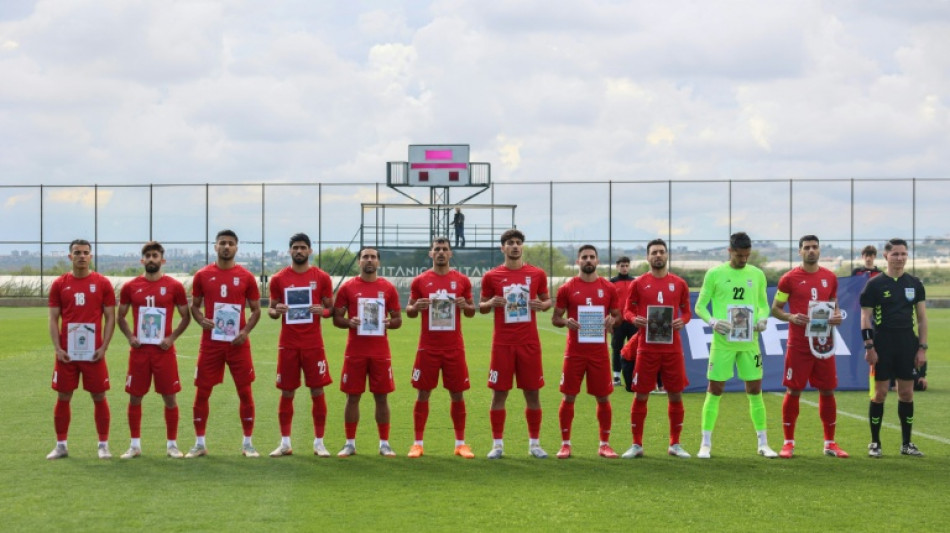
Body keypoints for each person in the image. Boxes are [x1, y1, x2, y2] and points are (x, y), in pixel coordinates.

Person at [694, 232, 777, 459]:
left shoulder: (757, 274)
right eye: (740, 255)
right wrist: (712, 321)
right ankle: (705, 444)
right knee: (715, 389)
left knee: (754, 389)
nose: (744, 260)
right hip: (723, 342)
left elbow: (762, 305)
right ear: (729, 251)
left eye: (747, 255)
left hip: (750, 342)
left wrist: (762, 318)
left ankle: (763, 443)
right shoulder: (715, 274)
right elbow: (700, 306)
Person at [770, 235, 849, 459]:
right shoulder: (789, 279)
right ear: (800, 252)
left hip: (823, 342)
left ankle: (830, 443)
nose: (811, 251)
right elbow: (776, 308)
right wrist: (790, 316)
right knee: (794, 389)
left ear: (820, 250)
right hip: (799, 344)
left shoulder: (830, 278)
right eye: (807, 248)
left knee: (827, 389)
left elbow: (834, 305)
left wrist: (836, 316)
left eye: (815, 247)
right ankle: (788, 443)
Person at [185, 229, 263, 458]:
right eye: (222, 243)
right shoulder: (202, 275)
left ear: (237, 247)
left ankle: (248, 443)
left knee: (245, 392)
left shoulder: (247, 276)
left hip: (238, 343)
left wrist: (245, 331)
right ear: (215, 247)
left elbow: (257, 310)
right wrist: (201, 320)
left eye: (230, 243)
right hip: (211, 343)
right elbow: (195, 306)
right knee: (202, 391)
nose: (226, 247)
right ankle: (199, 443)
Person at [479, 229, 553, 459]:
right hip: (502, 344)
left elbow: (547, 300)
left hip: (529, 343)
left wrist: (542, 306)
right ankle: (497, 445)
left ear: (522, 247)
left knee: (532, 393)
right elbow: (481, 306)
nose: (514, 246)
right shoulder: (491, 276)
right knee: (499, 394)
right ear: (502, 248)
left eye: (518, 243)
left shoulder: (537, 273)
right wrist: (492, 301)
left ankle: (534, 444)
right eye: (510, 243)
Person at [115, 241, 191, 459]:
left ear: (162, 260)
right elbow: (120, 316)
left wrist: (172, 337)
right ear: (142, 260)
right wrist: (130, 337)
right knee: (135, 398)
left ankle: (172, 445)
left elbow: (186, 316)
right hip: (139, 353)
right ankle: (135, 445)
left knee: (169, 398)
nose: (151, 259)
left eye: (155, 255)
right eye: (147, 256)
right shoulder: (130, 286)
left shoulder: (174, 286)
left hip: (163, 352)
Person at [404, 238, 477, 458]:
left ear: (451, 254)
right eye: (437, 250)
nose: (441, 253)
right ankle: (417, 443)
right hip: (428, 347)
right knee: (423, 392)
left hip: (454, 347)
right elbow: (409, 310)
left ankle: (461, 444)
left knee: (457, 393)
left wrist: (466, 306)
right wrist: (415, 306)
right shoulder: (420, 281)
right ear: (431, 254)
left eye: (445, 250)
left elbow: (472, 311)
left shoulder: (462, 280)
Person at [46, 239, 117, 460]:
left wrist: (104, 347)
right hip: (67, 353)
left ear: (91, 256)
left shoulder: (102, 283)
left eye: (86, 253)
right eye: (77, 252)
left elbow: (110, 317)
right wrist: (58, 348)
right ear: (70, 257)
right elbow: (53, 318)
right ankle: (61, 445)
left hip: (93, 353)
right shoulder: (59, 284)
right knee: (64, 395)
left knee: (99, 395)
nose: (82, 256)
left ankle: (103, 445)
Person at [622, 239, 692, 459]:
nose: (658, 255)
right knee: (641, 394)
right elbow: (627, 311)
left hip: (672, 348)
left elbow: (687, 312)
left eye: (662, 252)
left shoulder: (679, 283)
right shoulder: (639, 283)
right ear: (648, 257)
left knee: (675, 394)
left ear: (667, 255)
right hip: (646, 348)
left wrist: (684, 321)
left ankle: (675, 444)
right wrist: (636, 319)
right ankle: (636, 444)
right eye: (654, 252)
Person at [266, 233, 334, 458]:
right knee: (287, 391)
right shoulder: (278, 279)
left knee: (317, 390)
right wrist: (278, 311)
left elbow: (330, 309)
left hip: (313, 344)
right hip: (288, 344)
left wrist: (321, 311)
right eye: (295, 247)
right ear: (289, 251)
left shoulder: (322, 277)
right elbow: (272, 310)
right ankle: (285, 442)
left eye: (303, 247)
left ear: (310, 251)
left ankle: (320, 442)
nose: (299, 251)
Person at [551, 245, 621, 459]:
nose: (588, 260)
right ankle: (565, 444)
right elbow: (555, 318)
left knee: (603, 398)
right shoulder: (567, 288)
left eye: (592, 257)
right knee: (569, 396)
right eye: (584, 257)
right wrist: (566, 322)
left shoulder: (609, 288)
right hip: (574, 352)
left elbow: (618, 317)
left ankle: (604, 444)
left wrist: (612, 321)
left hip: (599, 353)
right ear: (578, 261)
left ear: (597, 261)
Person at [860, 238, 928, 457]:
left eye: (904, 254)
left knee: (906, 394)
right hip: (883, 343)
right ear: (886, 257)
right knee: (879, 394)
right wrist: (869, 347)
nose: (900, 258)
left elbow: (922, 319)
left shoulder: (915, 284)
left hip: (907, 343)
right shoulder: (875, 284)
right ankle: (875, 442)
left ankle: (907, 444)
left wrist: (922, 348)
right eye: (896, 254)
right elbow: (865, 317)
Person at [333, 248, 402, 457]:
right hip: (355, 351)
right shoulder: (348, 288)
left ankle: (384, 443)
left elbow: (398, 320)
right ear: (359, 262)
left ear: (378, 262)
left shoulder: (388, 288)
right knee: (352, 397)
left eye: (373, 257)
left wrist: (389, 322)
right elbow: (336, 318)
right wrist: (349, 322)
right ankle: (350, 443)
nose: (369, 260)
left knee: (382, 397)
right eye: (365, 257)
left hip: (380, 352)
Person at [610, 256, 637, 389]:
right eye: (622, 266)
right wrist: (610, 320)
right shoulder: (612, 282)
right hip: (618, 321)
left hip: (632, 321)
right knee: (617, 348)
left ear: (629, 267)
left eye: (626, 265)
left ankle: (633, 375)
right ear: (617, 267)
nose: (624, 268)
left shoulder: (635, 282)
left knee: (634, 349)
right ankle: (616, 376)